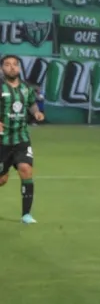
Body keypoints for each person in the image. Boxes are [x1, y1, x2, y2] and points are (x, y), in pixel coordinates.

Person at [0, 55, 45, 224]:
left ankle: (26, 214)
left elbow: (31, 103)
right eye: (7, 65)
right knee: (2, 180)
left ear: (19, 68)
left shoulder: (26, 87)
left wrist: (36, 113)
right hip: (2, 141)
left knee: (26, 170)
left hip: (22, 139)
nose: (12, 67)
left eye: (15, 65)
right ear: (2, 69)